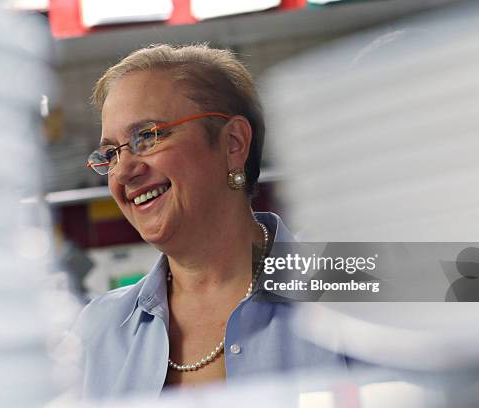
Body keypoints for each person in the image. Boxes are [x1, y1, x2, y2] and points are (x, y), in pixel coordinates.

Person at [75, 44, 345, 400]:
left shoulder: (360, 277)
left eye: (148, 137)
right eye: (110, 153)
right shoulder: (100, 328)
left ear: (233, 143)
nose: (123, 170)